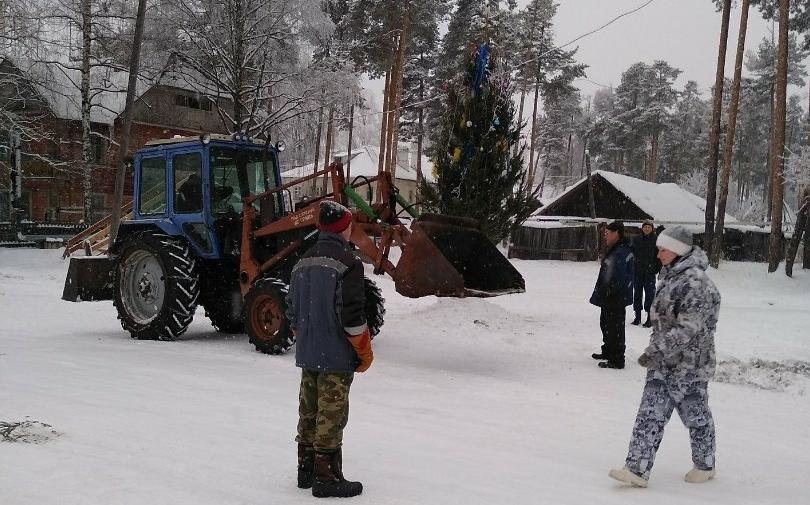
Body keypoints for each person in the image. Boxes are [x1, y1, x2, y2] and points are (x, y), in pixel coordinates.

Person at [609, 226, 721, 488]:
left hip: (690, 365)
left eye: (663, 249)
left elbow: (688, 329)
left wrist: (656, 351)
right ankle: (636, 469)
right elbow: (663, 322)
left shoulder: (696, 284)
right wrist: (657, 351)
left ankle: (705, 464)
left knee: (696, 415)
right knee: (650, 413)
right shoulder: (670, 278)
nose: (658, 254)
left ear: (678, 251)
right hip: (665, 362)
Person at [286, 200, 373, 498]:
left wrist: (308, 339)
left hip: (309, 354)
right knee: (331, 415)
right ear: (344, 228)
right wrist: (364, 351)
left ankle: (305, 470)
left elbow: (293, 315)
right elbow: (351, 316)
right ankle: (327, 478)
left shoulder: (302, 262)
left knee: (308, 411)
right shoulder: (349, 263)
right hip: (336, 357)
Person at [589, 220, 634, 369]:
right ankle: (608, 351)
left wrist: (609, 291)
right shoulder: (615, 249)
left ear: (617, 234)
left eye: (607, 233)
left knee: (615, 328)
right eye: (605, 233)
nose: (605, 236)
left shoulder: (620, 252)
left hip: (616, 297)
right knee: (606, 325)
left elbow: (619, 277)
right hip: (610, 297)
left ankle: (617, 359)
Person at [630, 219, 661, 327]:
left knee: (650, 295)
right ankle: (637, 317)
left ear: (652, 229)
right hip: (637, 271)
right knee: (637, 294)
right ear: (642, 228)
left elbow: (659, 257)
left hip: (650, 272)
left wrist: (657, 269)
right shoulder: (636, 239)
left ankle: (649, 318)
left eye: (649, 227)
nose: (647, 229)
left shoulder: (656, 240)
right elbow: (631, 253)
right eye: (645, 227)